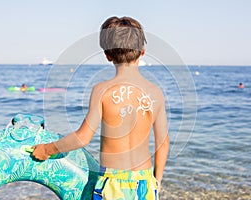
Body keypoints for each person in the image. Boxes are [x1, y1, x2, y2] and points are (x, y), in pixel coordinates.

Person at [32, 16, 169, 199]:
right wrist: (156, 181)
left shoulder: (102, 90)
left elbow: (82, 138)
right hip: (144, 183)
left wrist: (47, 149)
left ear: (107, 55)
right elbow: (163, 142)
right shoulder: (155, 92)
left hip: (111, 183)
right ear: (142, 52)